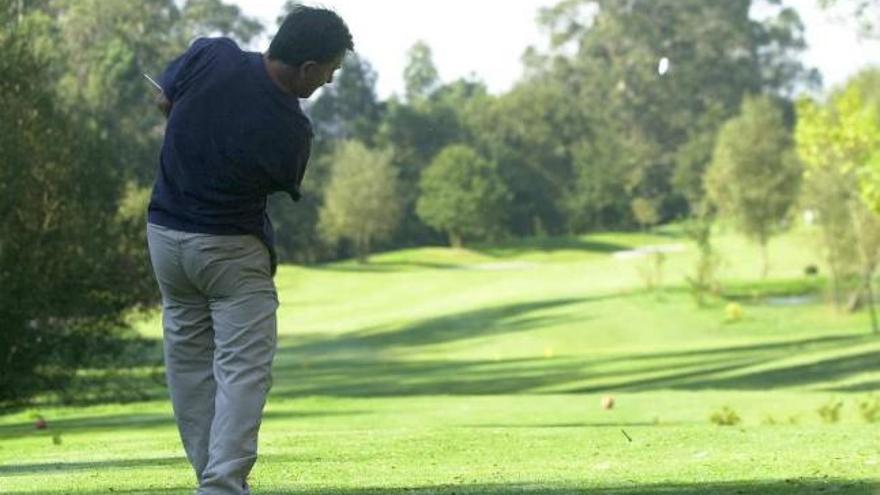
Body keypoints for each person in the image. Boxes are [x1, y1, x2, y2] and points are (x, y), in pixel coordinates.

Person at [145, 6, 353, 494]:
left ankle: (213, 481)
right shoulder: (292, 128)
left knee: (190, 369)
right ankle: (221, 486)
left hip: (165, 239)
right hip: (230, 252)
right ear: (307, 67)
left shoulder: (212, 54)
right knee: (242, 372)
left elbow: (164, 100)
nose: (328, 80)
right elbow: (284, 183)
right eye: (329, 71)